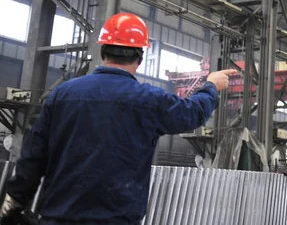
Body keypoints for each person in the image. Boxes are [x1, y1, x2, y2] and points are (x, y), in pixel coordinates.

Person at [0, 13, 236, 224]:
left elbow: (33, 157)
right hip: (116, 218)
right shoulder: (147, 99)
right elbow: (191, 113)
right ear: (140, 57)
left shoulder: (62, 94)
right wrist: (211, 87)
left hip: (59, 216)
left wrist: (15, 201)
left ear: (103, 50)